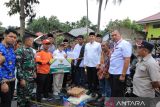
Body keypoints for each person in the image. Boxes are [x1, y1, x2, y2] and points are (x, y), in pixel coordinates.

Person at [109, 30, 132, 97]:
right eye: (112, 35)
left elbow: (127, 59)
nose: (113, 36)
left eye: (115, 35)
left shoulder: (125, 44)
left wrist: (123, 75)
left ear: (120, 35)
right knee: (114, 91)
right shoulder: (114, 44)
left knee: (119, 93)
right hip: (113, 72)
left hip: (119, 73)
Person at [15, 34, 36, 107]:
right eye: (31, 40)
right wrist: (21, 79)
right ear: (26, 41)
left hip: (30, 77)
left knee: (28, 96)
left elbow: (33, 62)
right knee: (22, 97)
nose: (32, 42)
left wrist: (34, 72)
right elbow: (18, 66)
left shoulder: (31, 50)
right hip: (24, 77)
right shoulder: (19, 51)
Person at [0, 29, 17, 107]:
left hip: (12, 80)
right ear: (4, 36)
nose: (13, 39)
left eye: (15, 37)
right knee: (5, 103)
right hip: (3, 80)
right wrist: (3, 82)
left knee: (8, 101)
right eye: (11, 36)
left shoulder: (11, 48)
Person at [84, 32, 102, 97]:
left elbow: (100, 54)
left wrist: (98, 63)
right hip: (88, 64)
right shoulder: (86, 45)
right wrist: (85, 63)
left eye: (92, 36)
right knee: (89, 78)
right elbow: (85, 54)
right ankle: (90, 89)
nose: (91, 37)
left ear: (94, 37)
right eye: (90, 36)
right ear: (89, 37)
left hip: (95, 65)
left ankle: (94, 91)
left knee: (94, 79)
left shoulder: (98, 44)